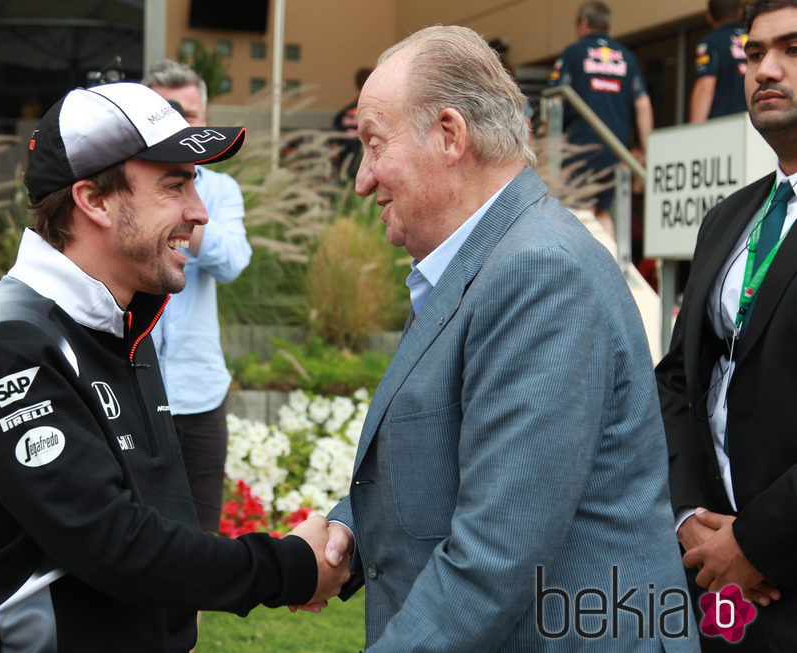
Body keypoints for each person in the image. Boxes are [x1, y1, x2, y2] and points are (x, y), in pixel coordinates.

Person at [315, 25, 696, 651]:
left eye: (373, 145)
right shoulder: (493, 260)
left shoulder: (537, 272)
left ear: (449, 136)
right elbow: (458, 456)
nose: (361, 179)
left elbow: (498, 548)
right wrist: (349, 532)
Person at [0, 82, 347, 652]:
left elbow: (159, 525)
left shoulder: (122, 316)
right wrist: (288, 566)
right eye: (174, 185)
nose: (198, 213)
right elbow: (114, 544)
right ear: (93, 199)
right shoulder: (11, 343)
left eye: (195, 185)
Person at [656, 1, 797, 649]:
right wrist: (688, 514)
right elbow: (678, 382)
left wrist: (757, 539)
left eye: (793, 50)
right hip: (713, 578)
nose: (767, 69)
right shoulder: (725, 218)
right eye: (754, 53)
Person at [143, 60, 252, 534]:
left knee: (200, 543)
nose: (176, 124)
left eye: (186, 114)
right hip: (135, 390)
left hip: (200, 392)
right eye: (162, 112)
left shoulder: (221, 190)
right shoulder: (126, 188)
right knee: (137, 538)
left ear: (203, 121)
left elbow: (232, 261)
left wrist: (182, 203)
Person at [549, 1, 654, 239]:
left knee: (578, 210)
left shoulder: (573, 52)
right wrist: (645, 151)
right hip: (615, 149)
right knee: (601, 211)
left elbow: (555, 101)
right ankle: (614, 262)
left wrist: (548, 145)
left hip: (579, 146)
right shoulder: (627, 57)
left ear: (584, 23)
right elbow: (643, 103)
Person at [689, 0, 748, 123]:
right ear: (740, 13)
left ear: (709, 17)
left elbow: (705, 87)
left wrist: (694, 132)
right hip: (757, 123)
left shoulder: (711, 42)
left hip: (723, 125)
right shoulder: (753, 39)